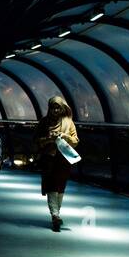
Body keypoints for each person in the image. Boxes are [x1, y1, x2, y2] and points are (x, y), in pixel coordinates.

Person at [34, 95, 79, 231]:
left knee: (60, 186)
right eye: (53, 108)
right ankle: (55, 214)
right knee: (51, 185)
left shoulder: (68, 123)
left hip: (63, 158)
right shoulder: (44, 122)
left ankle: (56, 213)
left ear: (62, 108)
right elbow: (36, 140)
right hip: (49, 158)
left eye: (57, 108)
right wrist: (48, 139)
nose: (55, 111)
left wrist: (64, 136)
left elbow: (76, 141)